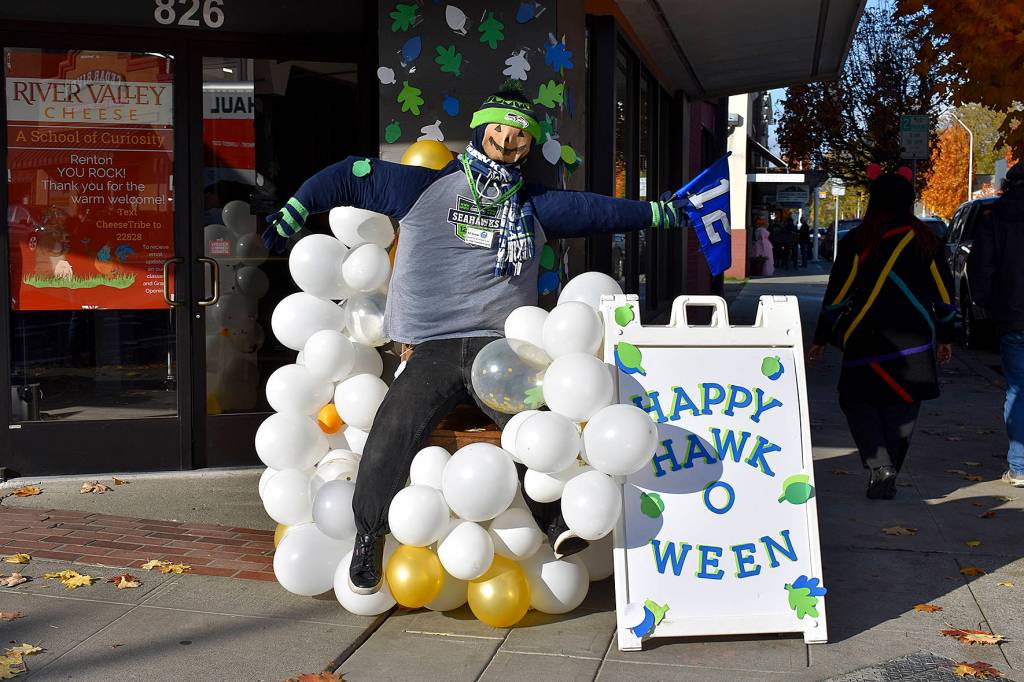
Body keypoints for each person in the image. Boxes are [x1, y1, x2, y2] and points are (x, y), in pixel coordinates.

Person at [262, 85, 688, 595]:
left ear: (529, 145)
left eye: (521, 133)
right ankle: (368, 540)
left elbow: (600, 212)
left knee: (536, 430)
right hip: (433, 346)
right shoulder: (421, 187)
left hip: (504, 346)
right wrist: (298, 204)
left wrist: (662, 213)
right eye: (501, 127)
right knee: (392, 430)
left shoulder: (534, 205)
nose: (508, 138)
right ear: (482, 129)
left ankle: (557, 525)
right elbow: (352, 173)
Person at [808, 170, 955, 499]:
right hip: (915, 339)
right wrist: (946, 335)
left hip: (867, 338)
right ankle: (888, 471)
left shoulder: (858, 241)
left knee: (856, 401)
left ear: (874, 202)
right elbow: (945, 296)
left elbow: (838, 296)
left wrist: (821, 338)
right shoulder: (927, 241)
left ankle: (880, 466)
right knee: (904, 405)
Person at [967, 161, 1024, 488]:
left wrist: (987, 304)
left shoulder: (996, 218)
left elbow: (981, 267)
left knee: (1018, 389)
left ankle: (1019, 465)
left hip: (1014, 315)